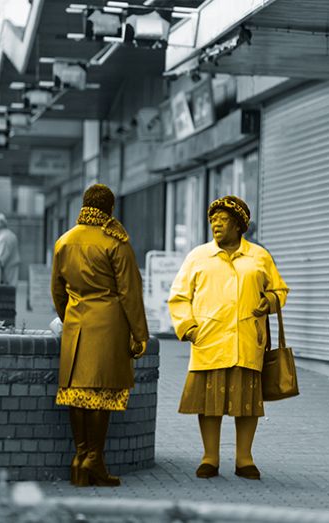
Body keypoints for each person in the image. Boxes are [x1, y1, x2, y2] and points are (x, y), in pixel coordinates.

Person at [168, 195, 288, 480]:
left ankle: (244, 459)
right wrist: (189, 327)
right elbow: (179, 297)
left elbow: (280, 290)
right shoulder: (198, 256)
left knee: (246, 404)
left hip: (247, 339)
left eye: (222, 221)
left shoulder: (259, 256)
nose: (216, 226)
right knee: (209, 404)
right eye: (213, 221)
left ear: (238, 225)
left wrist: (269, 301)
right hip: (208, 340)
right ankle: (210, 457)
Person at [51, 184, 149, 487]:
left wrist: (70, 316)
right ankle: (94, 460)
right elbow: (130, 293)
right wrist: (139, 334)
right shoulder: (115, 242)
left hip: (76, 326)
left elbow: (57, 290)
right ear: (109, 209)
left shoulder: (64, 241)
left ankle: (80, 459)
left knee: (77, 395)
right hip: (108, 326)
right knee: (101, 396)